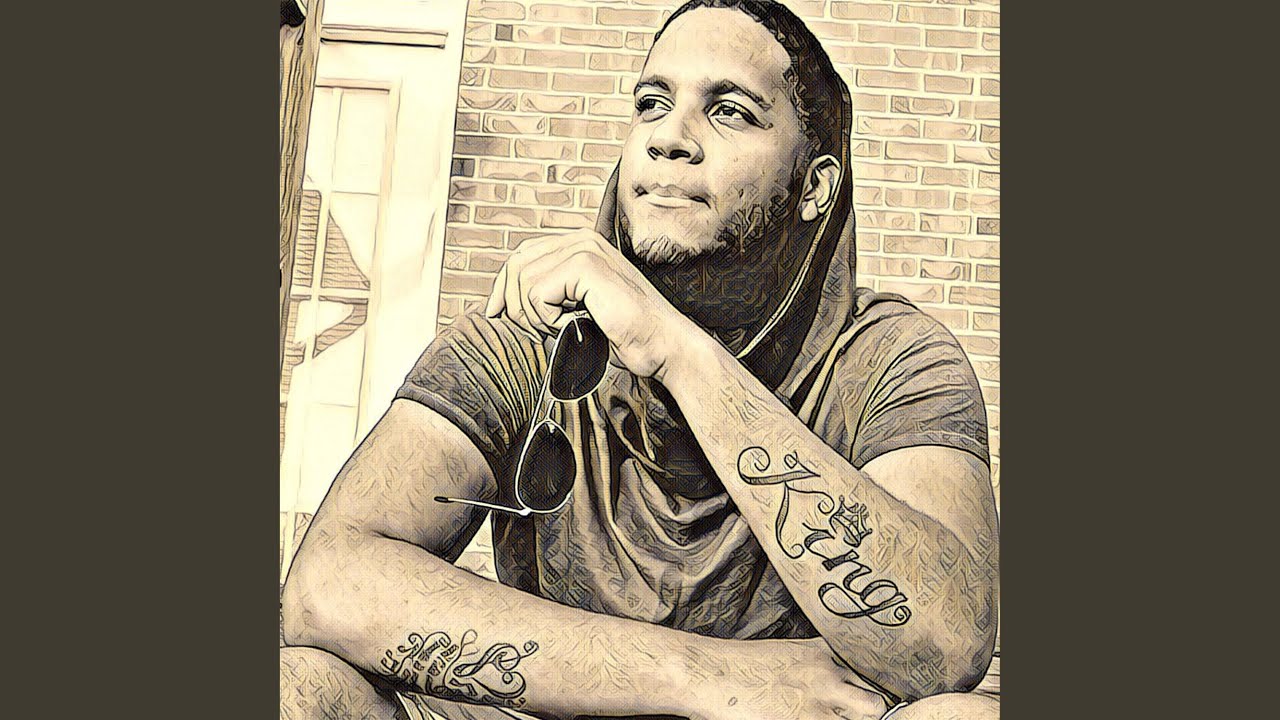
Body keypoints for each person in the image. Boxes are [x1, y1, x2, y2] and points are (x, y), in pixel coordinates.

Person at [280, 2, 999, 718]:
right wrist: (704, 676)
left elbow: (944, 648)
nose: (668, 138)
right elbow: (326, 585)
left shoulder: (891, 359)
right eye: (652, 103)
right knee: (300, 688)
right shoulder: (530, 333)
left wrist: (676, 350)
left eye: (730, 112)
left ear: (815, 187)